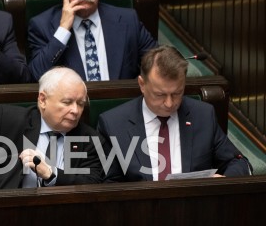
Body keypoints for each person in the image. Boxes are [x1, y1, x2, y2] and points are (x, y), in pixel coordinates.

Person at [97, 45, 252, 182]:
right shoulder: (114, 124)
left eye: (177, 93)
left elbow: (238, 162)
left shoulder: (203, 116)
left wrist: (224, 181)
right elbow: (109, 184)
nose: (170, 103)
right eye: (160, 95)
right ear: (142, 85)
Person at [0, 67, 103, 191]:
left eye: (80, 103)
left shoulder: (89, 139)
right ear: (43, 100)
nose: (75, 110)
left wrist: (52, 174)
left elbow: (94, 182)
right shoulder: (10, 120)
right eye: (67, 102)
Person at [27, 0, 157, 82]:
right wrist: (63, 30)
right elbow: (36, 75)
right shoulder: (41, 25)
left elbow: (158, 61)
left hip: (121, 108)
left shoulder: (128, 19)